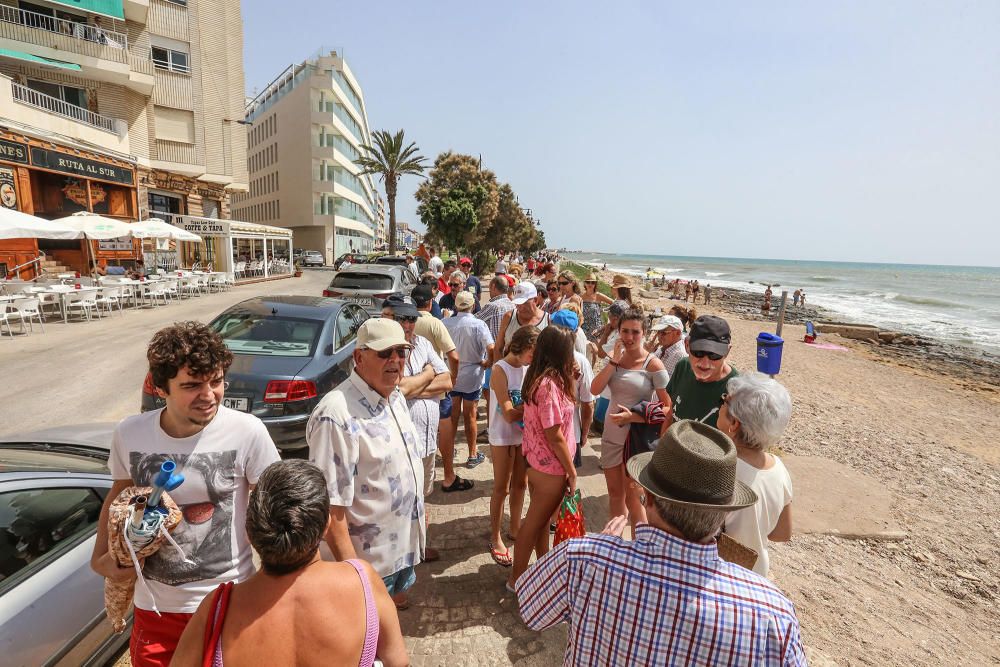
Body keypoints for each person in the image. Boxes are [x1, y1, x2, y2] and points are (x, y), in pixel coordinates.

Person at [516, 420, 805, 665]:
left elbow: (530, 609)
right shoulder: (771, 613)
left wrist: (599, 548)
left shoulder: (581, 559)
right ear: (724, 514)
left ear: (648, 497)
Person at [91, 322, 280, 667]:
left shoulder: (248, 431)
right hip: (156, 612)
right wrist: (103, 554)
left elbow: (277, 508)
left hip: (230, 605)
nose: (208, 395)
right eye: (192, 385)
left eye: (217, 381)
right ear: (161, 388)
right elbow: (118, 494)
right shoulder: (130, 433)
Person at [169, 460, 408, 667]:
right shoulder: (361, 581)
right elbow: (397, 660)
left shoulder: (219, 607)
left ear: (250, 532)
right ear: (325, 526)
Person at [307, 318, 425, 610]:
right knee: (363, 645)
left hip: (399, 552)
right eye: (385, 353)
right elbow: (330, 512)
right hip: (364, 566)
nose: (396, 360)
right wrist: (356, 578)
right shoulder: (335, 415)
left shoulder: (394, 396)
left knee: (387, 628)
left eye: (402, 352)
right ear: (359, 357)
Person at [506, 325, 578, 592]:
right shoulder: (548, 385)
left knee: (539, 523)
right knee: (534, 524)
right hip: (551, 466)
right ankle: (517, 580)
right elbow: (554, 434)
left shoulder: (542, 378)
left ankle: (539, 570)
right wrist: (571, 471)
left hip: (538, 462)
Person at [383, 294, 453, 563]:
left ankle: (419, 547)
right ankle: (399, 558)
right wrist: (426, 375)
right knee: (399, 501)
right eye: (402, 318)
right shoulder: (388, 350)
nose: (408, 324)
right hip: (402, 444)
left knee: (423, 497)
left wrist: (416, 388)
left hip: (425, 441)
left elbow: (447, 381)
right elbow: (399, 390)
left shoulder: (423, 343)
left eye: (411, 318)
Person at [591, 308, 671, 533]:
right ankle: (616, 546)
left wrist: (633, 417)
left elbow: (667, 408)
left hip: (636, 440)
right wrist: (613, 362)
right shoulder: (614, 360)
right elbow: (594, 389)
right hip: (611, 435)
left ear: (644, 333)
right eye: (625, 331)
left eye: (635, 332)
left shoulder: (654, 365)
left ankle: (640, 552)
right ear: (618, 331)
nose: (629, 337)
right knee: (615, 495)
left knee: (634, 502)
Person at [718, 373, 794, 576]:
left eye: (724, 402)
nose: (720, 406)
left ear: (734, 424)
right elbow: (781, 533)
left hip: (720, 572)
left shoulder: (719, 469)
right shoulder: (779, 469)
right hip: (757, 573)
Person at [487, 326, 539, 567]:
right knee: (502, 487)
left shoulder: (528, 367)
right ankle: (495, 535)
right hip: (503, 435)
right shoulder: (500, 369)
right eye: (533, 352)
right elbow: (507, 414)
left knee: (521, 484)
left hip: (522, 434)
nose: (534, 358)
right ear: (523, 347)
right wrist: (535, 408)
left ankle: (515, 527)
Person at [412, 285, 471, 493]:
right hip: (435, 383)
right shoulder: (434, 323)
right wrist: (452, 377)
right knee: (445, 428)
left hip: (409, 383)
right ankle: (448, 475)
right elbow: (453, 355)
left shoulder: (403, 322)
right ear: (430, 302)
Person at [442, 291, 495, 468]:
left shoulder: (446, 323)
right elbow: (491, 347)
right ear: (473, 305)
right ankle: (472, 453)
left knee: (453, 414)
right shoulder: (479, 325)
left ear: (456, 306)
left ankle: (448, 449)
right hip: (473, 373)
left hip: (452, 372)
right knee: (470, 415)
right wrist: (488, 362)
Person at [666, 315, 739, 428]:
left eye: (714, 355)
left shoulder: (736, 389)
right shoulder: (683, 366)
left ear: (727, 352)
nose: (705, 363)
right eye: (698, 352)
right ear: (686, 345)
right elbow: (670, 412)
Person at [550, 309, 595, 470]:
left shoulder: (540, 357)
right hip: (570, 432)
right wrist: (584, 433)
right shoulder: (580, 361)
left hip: (545, 432)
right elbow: (588, 403)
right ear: (576, 332)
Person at [495, 281, 549, 364]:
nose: (520, 307)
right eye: (517, 303)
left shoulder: (548, 320)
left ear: (535, 300)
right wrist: (498, 369)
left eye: (524, 303)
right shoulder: (508, 317)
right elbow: (498, 347)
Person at [476, 275, 515, 341]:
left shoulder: (493, 306)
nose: (489, 292)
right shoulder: (513, 305)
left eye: (489, 289)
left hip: (495, 348)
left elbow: (473, 320)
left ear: (493, 287)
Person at [580, 272, 613, 341]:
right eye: (588, 282)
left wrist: (609, 316)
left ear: (595, 284)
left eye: (593, 282)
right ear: (585, 283)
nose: (590, 284)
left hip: (596, 330)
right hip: (583, 329)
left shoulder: (598, 295)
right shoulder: (581, 296)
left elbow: (614, 303)